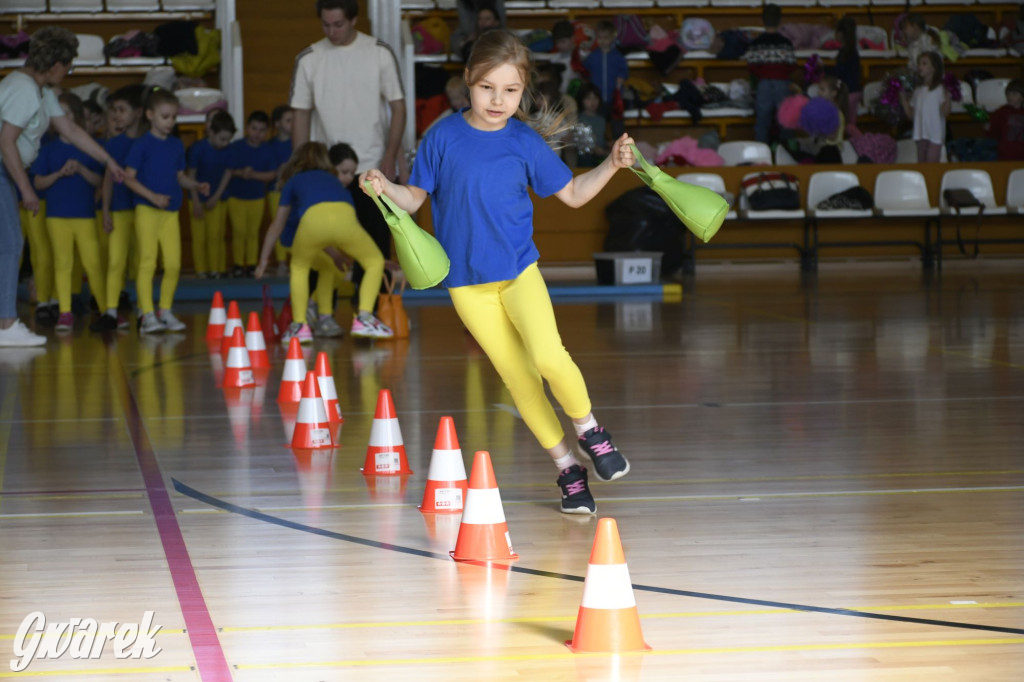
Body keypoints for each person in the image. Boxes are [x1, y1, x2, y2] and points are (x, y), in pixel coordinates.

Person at [361, 29, 636, 515]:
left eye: (510, 90)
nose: (497, 100)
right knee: (519, 380)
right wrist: (385, 186)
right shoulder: (441, 136)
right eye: (487, 88)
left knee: (549, 358)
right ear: (468, 79)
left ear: (523, 90)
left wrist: (612, 165)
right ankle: (567, 468)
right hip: (468, 288)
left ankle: (591, 431)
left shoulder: (524, 141)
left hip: (519, 273)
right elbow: (415, 199)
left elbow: (573, 194)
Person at [1, 27, 124, 347]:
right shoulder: (24, 90)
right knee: (11, 244)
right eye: (68, 67)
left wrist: (108, 160)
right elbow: (6, 141)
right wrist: (27, 188)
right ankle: (6, 325)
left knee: (9, 243)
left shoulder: (41, 91)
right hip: (3, 170)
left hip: (6, 171)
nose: (68, 73)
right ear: (55, 64)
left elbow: (70, 130)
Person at [290, 0, 404, 304]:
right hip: (326, 170)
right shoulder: (309, 58)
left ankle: (372, 312)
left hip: (371, 165)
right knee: (317, 243)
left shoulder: (378, 52)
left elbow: (398, 107)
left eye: (338, 24)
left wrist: (391, 155)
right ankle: (312, 311)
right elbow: (300, 113)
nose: (332, 31)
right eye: (326, 25)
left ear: (353, 20)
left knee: (375, 245)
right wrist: (302, 166)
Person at [255, 142, 392, 343]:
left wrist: (263, 261)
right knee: (374, 262)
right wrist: (368, 254)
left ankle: (300, 325)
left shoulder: (294, 180)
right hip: (346, 219)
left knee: (299, 267)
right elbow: (349, 223)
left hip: (311, 224)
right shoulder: (335, 182)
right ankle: (364, 318)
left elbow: (277, 225)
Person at [123, 88, 209, 333]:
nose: (170, 122)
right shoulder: (141, 145)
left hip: (170, 212)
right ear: (150, 115)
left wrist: (195, 185)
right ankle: (146, 314)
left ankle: (165, 310)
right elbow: (128, 178)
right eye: (165, 116)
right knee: (147, 263)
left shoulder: (176, 145)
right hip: (147, 211)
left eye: (173, 117)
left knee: (173, 265)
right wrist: (152, 197)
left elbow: (179, 176)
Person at [31, 93, 110, 332]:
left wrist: (82, 169)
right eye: (56, 113)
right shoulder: (48, 149)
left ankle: (107, 311)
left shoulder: (89, 147)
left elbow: (100, 181)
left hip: (85, 216)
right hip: (56, 217)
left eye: (65, 112)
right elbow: (38, 183)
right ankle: (64, 312)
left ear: (75, 116)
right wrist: (59, 173)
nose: (60, 117)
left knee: (93, 264)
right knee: (62, 263)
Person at [101, 83, 146, 330]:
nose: (117, 115)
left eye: (122, 110)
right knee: (116, 261)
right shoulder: (114, 144)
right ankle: (110, 311)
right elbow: (108, 179)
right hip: (119, 210)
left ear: (137, 113)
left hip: (143, 211)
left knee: (141, 262)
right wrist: (106, 210)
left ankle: (144, 310)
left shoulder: (148, 142)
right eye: (114, 110)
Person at [187, 109, 236, 279]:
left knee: (215, 236)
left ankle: (215, 269)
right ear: (211, 133)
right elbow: (191, 176)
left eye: (228, 139)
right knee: (199, 237)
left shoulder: (229, 150)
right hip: (196, 198)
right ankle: (201, 270)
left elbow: (227, 174)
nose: (225, 143)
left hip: (218, 199)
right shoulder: (198, 148)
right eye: (222, 139)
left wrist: (216, 197)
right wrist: (196, 202)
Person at [226, 110, 275, 277]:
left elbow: (271, 175)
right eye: (254, 128)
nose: (257, 133)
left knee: (253, 232)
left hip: (257, 197)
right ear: (247, 128)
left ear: (267, 132)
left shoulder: (267, 150)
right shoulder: (236, 147)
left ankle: (252, 264)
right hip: (236, 196)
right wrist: (241, 173)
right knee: (239, 231)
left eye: (262, 130)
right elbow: (228, 171)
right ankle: (239, 264)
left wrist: (252, 175)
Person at [746, 4, 797, 145]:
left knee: (762, 122)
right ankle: (787, 151)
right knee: (786, 120)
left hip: (764, 83)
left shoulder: (756, 43)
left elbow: (751, 65)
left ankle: (762, 151)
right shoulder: (786, 43)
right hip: (782, 83)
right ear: (780, 20)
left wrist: (763, 74)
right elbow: (792, 64)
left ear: (761, 20)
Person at [900, 51, 950, 163]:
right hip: (920, 134)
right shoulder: (918, 90)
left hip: (934, 135)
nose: (920, 67)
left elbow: (945, 113)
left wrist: (948, 97)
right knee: (922, 167)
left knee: (931, 168)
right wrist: (903, 100)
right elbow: (911, 115)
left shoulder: (940, 89)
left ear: (934, 68)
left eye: (924, 63)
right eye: (919, 64)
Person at [583, 20, 629, 137]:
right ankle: (600, 144)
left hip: (614, 99)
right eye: (600, 37)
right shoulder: (593, 56)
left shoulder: (618, 56)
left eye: (606, 38)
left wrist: (621, 78)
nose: (603, 41)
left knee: (617, 126)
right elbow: (585, 71)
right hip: (597, 100)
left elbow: (624, 72)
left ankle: (619, 145)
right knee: (598, 126)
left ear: (612, 38)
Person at [268, 104, 295, 275]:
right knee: (278, 225)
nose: (293, 124)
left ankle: (296, 259)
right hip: (276, 192)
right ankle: (281, 262)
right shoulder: (270, 146)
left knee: (295, 225)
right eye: (288, 120)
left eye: (294, 120)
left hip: (295, 192)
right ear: (277, 124)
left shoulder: (297, 143)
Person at [827, 16, 861, 130]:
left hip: (848, 93)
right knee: (850, 124)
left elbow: (838, 73)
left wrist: (823, 69)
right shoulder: (853, 51)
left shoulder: (844, 53)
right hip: (855, 91)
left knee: (846, 125)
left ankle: (859, 140)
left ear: (841, 34)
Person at [985, 79, 1024, 161]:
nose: (1010, 97)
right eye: (1008, 94)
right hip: (1005, 155)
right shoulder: (1000, 113)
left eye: (1014, 94)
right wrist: (989, 129)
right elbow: (994, 135)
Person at [574, 82, 607, 168]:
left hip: (600, 155)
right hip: (586, 156)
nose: (593, 102)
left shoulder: (601, 119)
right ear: (581, 100)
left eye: (595, 98)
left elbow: (601, 140)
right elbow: (580, 142)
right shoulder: (579, 119)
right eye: (588, 98)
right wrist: (595, 149)